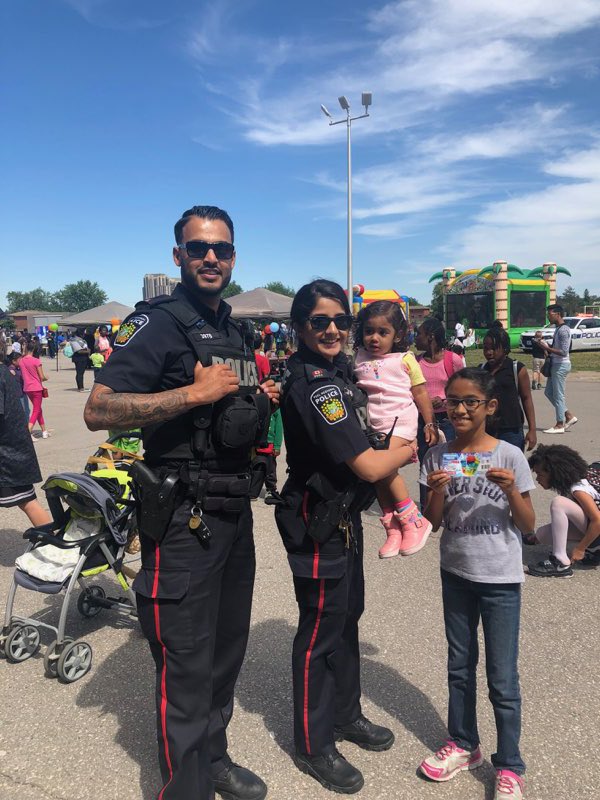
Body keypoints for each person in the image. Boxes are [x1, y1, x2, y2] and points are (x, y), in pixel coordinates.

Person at [84, 205, 275, 800]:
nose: (210, 257)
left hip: (233, 514)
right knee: (186, 664)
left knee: (225, 651)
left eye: (220, 248)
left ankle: (213, 757)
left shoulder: (236, 329)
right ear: (179, 257)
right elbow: (99, 411)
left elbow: (230, 414)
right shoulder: (159, 324)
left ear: (234, 256)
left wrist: (256, 395)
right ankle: (185, 787)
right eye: (198, 248)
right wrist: (191, 393)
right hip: (183, 522)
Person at [275, 279, 418, 795]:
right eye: (319, 321)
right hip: (316, 521)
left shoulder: (338, 373)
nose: (334, 329)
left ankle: (345, 713)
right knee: (319, 631)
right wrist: (415, 444)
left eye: (341, 321)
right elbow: (369, 463)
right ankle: (314, 745)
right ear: (299, 328)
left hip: (342, 518)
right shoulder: (318, 386)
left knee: (347, 617)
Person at [419, 368, 535, 800]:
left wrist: (510, 493)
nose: (461, 409)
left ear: (490, 407)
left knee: (502, 678)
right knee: (458, 666)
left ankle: (510, 765)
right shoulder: (437, 457)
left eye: (471, 401)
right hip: (456, 573)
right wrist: (435, 492)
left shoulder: (508, 456)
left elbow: (528, 525)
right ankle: (465, 744)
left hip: (501, 579)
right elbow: (431, 524)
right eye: (453, 400)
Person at [353, 300, 437, 558]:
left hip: (400, 424)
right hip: (373, 427)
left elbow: (421, 392)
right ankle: (393, 529)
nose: (374, 338)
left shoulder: (405, 359)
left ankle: (414, 520)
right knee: (378, 477)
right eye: (369, 331)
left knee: (384, 470)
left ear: (398, 335)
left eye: (383, 332)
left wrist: (430, 422)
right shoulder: (359, 356)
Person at [526, 445, 600, 577]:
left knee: (559, 503)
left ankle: (560, 563)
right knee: (542, 534)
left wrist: (580, 548)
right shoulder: (586, 475)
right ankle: (594, 551)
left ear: (555, 473)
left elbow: (598, 521)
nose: (537, 479)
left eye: (540, 474)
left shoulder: (578, 489)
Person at [414, 318, 463, 509]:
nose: (415, 338)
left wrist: (443, 400)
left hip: (448, 420)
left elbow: (463, 389)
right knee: (426, 463)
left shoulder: (453, 360)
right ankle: (427, 509)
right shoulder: (416, 362)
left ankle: (453, 505)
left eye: (419, 334)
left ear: (431, 337)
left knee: (452, 464)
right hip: (424, 420)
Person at [0, 364, 51, 527]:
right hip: (13, 448)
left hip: (7, 453)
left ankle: (53, 545)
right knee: (27, 501)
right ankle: (51, 542)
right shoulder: (4, 370)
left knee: (27, 501)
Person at [481, 326, 537, 451]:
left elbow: (526, 399)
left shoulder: (516, 368)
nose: (489, 352)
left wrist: (532, 430)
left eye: (494, 348)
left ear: (505, 348)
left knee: (511, 468)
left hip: (512, 430)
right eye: (486, 348)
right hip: (486, 429)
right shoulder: (482, 370)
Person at [539, 304, 576, 434]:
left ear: (557, 314)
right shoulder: (558, 329)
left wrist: (547, 348)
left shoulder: (564, 330)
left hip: (561, 365)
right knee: (548, 393)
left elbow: (564, 351)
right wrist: (544, 345)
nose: (548, 317)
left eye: (549, 314)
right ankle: (568, 416)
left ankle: (560, 425)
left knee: (558, 395)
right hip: (556, 364)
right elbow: (557, 349)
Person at [20, 342, 49, 440]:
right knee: (36, 410)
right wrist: (46, 378)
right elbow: (42, 377)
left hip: (27, 388)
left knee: (38, 409)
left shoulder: (21, 361)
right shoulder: (36, 361)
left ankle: (44, 431)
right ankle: (29, 430)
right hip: (36, 388)